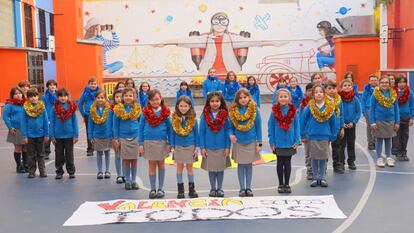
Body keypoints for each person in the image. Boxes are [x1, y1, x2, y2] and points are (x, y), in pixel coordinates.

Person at [301, 84, 338, 187]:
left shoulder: (329, 106)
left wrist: (334, 134)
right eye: (316, 92)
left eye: (320, 92)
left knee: (323, 158)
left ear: (324, 93)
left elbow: (334, 122)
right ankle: (315, 177)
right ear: (313, 94)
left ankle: (322, 177)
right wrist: (303, 133)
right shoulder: (309, 107)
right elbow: (303, 120)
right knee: (313, 157)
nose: (318, 94)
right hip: (312, 136)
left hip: (325, 136)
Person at [139, 89, 172, 199]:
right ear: (149, 100)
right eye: (152, 100)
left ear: (161, 99)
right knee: (152, 165)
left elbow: (170, 129)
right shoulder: (145, 112)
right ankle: (153, 188)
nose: (155, 102)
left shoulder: (165, 112)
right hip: (148, 142)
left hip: (162, 142)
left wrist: (171, 143)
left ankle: (160, 188)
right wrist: (140, 143)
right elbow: (141, 128)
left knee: (161, 164)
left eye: (157, 99)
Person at [229, 88, 262, 197]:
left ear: (249, 98)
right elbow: (230, 127)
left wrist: (259, 142)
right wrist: (231, 134)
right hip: (238, 141)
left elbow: (258, 126)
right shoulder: (233, 111)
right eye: (240, 98)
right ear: (237, 99)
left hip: (251, 140)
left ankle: (248, 187)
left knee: (248, 165)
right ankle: (242, 188)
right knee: (241, 165)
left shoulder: (254, 110)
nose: (243, 100)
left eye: (245, 97)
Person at [268, 88, 300, 193]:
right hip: (278, 143)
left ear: (289, 98)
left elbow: (296, 127)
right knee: (279, 163)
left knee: (287, 163)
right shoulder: (274, 112)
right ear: (277, 98)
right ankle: (280, 184)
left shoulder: (293, 111)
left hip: (290, 143)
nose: (283, 98)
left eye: (285, 96)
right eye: (281, 96)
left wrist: (296, 140)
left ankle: (287, 184)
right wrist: (272, 142)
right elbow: (271, 127)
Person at [200, 92, 231, 197]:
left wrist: (227, 147)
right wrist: (202, 147)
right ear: (208, 102)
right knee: (212, 169)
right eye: (212, 101)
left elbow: (228, 132)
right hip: (208, 147)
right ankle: (213, 188)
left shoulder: (225, 115)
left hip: (222, 147)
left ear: (221, 102)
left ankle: (220, 188)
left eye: (217, 101)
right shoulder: (205, 116)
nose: (215, 103)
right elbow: (202, 132)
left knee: (220, 168)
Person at [112, 87, 141, 190]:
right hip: (123, 137)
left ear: (134, 97)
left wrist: (141, 138)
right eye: (126, 95)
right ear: (123, 97)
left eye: (130, 95)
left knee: (134, 160)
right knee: (125, 160)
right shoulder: (118, 109)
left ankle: (133, 181)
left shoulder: (137, 108)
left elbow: (140, 123)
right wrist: (116, 138)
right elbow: (115, 125)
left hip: (135, 136)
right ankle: (127, 181)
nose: (128, 97)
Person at [171, 96, 199, 199]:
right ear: (177, 106)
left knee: (189, 168)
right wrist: (173, 147)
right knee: (179, 168)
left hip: (190, 145)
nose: (183, 108)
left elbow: (197, 133)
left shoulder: (193, 119)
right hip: (178, 146)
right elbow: (172, 133)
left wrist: (197, 147)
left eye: (185, 106)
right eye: (181, 106)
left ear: (189, 106)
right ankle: (180, 190)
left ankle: (192, 189)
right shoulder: (174, 119)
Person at [370, 76, 400, 168]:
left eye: (386, 82)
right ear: (379, 83)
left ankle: (388, 157)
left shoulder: (393, 94)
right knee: (379, 139)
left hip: (391, 120)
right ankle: (379, 158)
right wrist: (372, 122)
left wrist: (397, 122)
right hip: (379, 120)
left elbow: (396, 108)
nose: (384, 84)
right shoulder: (375, 94)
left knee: (388, 139)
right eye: (382, 82)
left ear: (389, 84)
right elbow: (372, 108)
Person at [50, 88, 79, 179]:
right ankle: (59, 171)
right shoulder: (54, 108)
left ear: (67, 97)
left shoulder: (72, 107)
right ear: (57, 97)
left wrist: (76, 135)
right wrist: (52, 135)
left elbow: (75, 122)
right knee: (58, 154)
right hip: (58, 136)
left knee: (69, 154)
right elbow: (52, 122)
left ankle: (71, 171)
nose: (63, 98)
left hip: (69, 135)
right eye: (60, 96)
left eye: (65, 96)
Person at [21, 88, 49, 178]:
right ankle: (31, 171)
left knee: (41, 154)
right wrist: (25, 135)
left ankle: (42, 171)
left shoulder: (42, 107)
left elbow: (46, 121)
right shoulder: (25, 108)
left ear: (38, 96)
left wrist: (46, 134)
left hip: (41, 135)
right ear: (28, 98)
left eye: (35, 96)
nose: (33, 98)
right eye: (31, 96)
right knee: (31, 155)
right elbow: (23, 123)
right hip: (30, 136)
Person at [88, 90, 113, 180]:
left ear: (105, 99)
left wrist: (112, 134)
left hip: (107, 134)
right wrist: (90, 136)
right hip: (97, 135)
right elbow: (90, 125)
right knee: (99, 153)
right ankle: (99, 171)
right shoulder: (92, 110)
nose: (100, 99)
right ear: (95, 99)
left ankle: (107, 170)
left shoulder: (109, 110)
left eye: (102, 97)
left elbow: (112, 123)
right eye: (98, 98)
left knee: (107, 152)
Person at [338, 79, 361, 171]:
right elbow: (337, 112)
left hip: (352, 126)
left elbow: (358, 112)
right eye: (345, 85)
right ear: (341, 87)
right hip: (342, 126)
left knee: (351, 144)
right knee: (341, 145)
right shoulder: (338, 99)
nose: (347, 87)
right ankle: (341, 162)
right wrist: (341, 123)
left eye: (349, 85)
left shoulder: (355, 99)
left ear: (352, 87)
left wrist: (353, 122)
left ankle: (351, 161)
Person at [3, 87, 27, 173]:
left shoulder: (26, 103)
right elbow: (5, 117)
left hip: (25, 129)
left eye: (19, 93)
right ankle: (19, 166)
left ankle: (25, 165)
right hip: (15, 129)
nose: (18, 95)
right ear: (12, 95)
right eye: (16, 93)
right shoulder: (9, 105)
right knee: (18, 148)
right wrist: (10, 127)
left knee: (25, 148)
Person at [392, 74, 413, 161]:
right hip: (396, 117)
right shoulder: (393, 92)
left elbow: (412, 106)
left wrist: (412, 117)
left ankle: (403, 152)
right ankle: (397, 152)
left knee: (405, 136)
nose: (402, 84)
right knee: (397, 135)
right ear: (397, 83)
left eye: (404, 82)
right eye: (400, 82)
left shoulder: (410, 92)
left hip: (406, 117)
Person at [325, 81, 345, 174]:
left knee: (336, 147)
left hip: (336, 128)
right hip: (326, 128)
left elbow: (341, 114)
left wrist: (342, 127)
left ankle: (337, 165)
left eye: (333, 88)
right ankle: (323, 167)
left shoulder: (339, 100)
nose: (332, 90)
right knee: (324, 147)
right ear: (325, 90)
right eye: (329, 88)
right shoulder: (323, 100)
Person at [78, 77, 100, 156]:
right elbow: (80, 104)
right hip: (88, 115)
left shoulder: (100, 92)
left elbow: (105, 102)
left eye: (95, 84)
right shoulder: (85, 93)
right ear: (88, 84)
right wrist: (84, 114)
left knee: (99, 130)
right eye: (91, 84)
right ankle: (90, 149)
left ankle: (99, 147)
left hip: (99, 114)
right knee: (89, 132)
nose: (93, 85)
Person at [111, 89, 125, 183]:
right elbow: (111, 124)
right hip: (115, 136)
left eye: (121, 97)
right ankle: (119, 175)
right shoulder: (111, 109)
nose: (119, 99)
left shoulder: (127, 108)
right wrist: (114, 137)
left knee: (125, 156)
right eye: (117, 97)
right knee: (117, 155)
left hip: (124, 135)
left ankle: (125, 174)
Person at [300, 83, 314, 180]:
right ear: (306, 92)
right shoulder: (303, 105)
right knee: (308, 154)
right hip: (307, 133)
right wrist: (303, 135)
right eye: (309, 90)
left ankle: (320, 170)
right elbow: (301, 120)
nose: (311, 92)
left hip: (317, 133)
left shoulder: (321, 103)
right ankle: (310, 171)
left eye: (313, 90)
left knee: (319, 153)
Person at [42, 80, 58, 160]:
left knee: (57, 135)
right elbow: (42, 108)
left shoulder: (59, 95)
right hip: (48, 118)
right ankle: (46, 152)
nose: (52, 86)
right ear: (47, 86)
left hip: (57, 118)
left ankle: (58, 151)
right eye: (50, 85)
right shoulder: (44, 97)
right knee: (47, 136)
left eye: (54, 85)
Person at [362, 75, 378, 150]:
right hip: (368, 109)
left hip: (377, 110)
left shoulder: (379, 89)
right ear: (369, 81)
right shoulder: (366, 90)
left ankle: (375, 141)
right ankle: (370, 142)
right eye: (372, 80)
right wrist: (364, 111)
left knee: (376, 126)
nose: (373, 81)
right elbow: (363, 101)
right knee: (369, 126)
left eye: (375, 80)